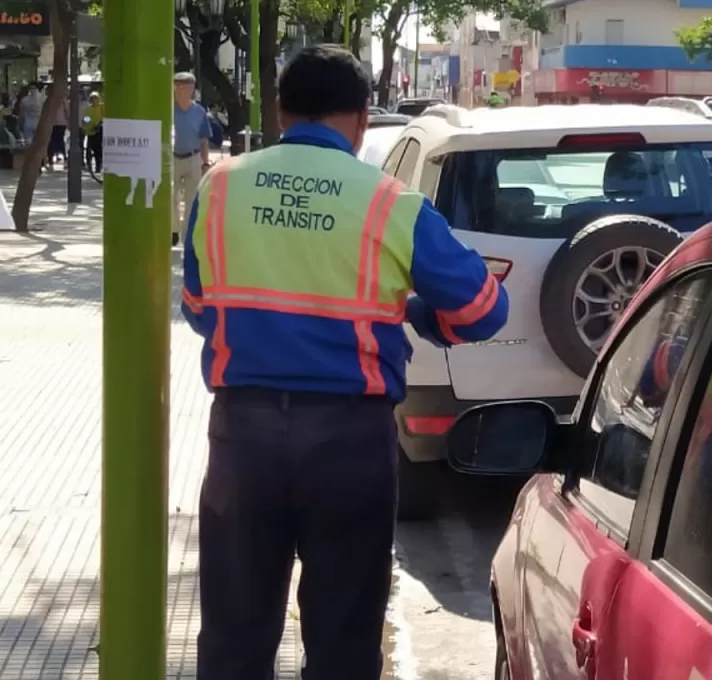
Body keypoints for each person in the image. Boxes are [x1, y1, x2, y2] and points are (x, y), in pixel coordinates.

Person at [181, 44, 509, 680]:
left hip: (242, 439)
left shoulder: (219, 186)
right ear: (362, 118)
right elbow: (482, 311)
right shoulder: (390, 202)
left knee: (234, 639)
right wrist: (409, 312)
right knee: (343, 642)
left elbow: (200, 308)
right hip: (349, 443)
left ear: (281, 112)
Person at [173, 72, 212, 247]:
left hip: (193, 157)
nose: (182, 90)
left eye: (187, 87)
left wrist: (205, 162)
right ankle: (173, 230)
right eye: (179, 86)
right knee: (171, 196)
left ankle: (186, 235)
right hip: (172, 158)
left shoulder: (199, 111)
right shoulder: (168, 110)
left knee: (191, 199)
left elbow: (204, 139)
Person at [82, 92, 104, 172]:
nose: (95, 100)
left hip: (98, 131)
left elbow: (104, 118)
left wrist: (99, 124)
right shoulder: (88, 109)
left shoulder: (102, 107)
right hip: (90, 131)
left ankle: (98, 166)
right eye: (93, 99)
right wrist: (89, 123)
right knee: (89, 149)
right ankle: (89, 164)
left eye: (96, 98)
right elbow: (85, 119)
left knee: (98, 149)